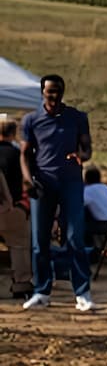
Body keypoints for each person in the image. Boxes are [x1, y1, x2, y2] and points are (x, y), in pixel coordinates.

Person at [19, 74, 95, 311]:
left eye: (58, 91)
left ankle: (82, 293)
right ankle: (41, 291)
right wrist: (26, 180)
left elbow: (87, 149)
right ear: (42, 92)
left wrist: (81, 156)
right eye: (50, 91)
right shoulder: (31, 120)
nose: (54, 95)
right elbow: (24, 154)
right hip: (43, 184)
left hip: (71, 182)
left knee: (74, 238)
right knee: (40, 241)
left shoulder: (78, 117)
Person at [0, 119, 30, 298]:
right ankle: (21, 285)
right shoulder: (17, 155)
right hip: (13, 210)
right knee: (19, 247)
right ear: (13, 134)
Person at [81, 165, 107, 259]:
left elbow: (79, 204)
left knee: (80, 224)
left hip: (102, 225)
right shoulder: (105, 188)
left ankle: (89, 251)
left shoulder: (88, 190)